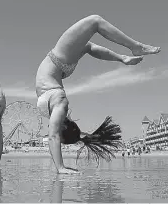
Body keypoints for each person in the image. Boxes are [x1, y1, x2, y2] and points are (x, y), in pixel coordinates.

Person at [36, 15, 160, 174]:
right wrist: (60, 167)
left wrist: (60, 166)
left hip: (59, 65)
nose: (50, 127)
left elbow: (54, 136)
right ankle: (134, 47)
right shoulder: (60, 104)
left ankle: (127, 54)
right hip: (59, 61)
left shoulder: (57, 108)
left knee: (90, 38)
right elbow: (54, 136)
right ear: (64, 126)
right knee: (94, 23)